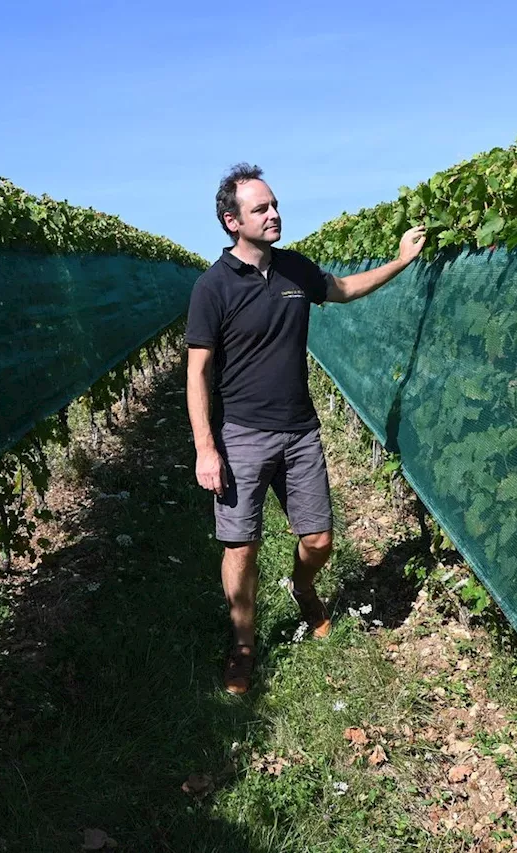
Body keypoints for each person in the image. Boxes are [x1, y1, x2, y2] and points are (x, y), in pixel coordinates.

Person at [184, 163, 426, 695]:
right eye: (260, 209)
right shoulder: (213, 287)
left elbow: (342, 289)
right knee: (240, 546)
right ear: (231, 221)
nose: (274, 214)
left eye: (274, 205)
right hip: (241, 433)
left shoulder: (294, 269)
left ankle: (302, 587)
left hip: (299, 429)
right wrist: (207, 447)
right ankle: (244, 643)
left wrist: (401, 263)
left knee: (318, 540)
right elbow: (197, 371)